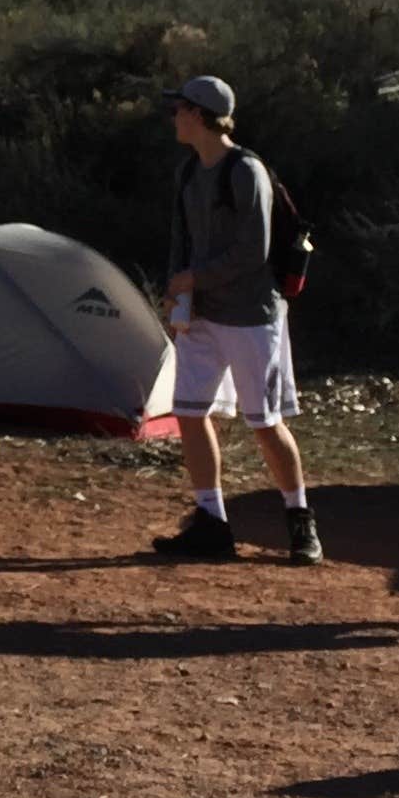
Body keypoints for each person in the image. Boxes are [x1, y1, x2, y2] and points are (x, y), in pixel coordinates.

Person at [149, 75, 324, 566]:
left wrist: (191, 280)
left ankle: (300, 520)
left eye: (179, 108)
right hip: (203, 315)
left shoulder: (246, 171)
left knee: (264, 423)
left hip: (251, 316)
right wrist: (175, 292)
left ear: (200, 114)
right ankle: (212, 522)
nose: (174, 117)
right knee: (189, 412)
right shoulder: (188, 172)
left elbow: (254, 252)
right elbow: (180, 241)